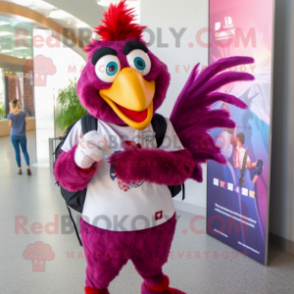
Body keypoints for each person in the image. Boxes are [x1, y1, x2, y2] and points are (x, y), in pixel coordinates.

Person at [7, 99, 31, 175]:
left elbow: (10, 125)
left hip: (13, 135)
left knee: (17, 151)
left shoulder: (10, 114)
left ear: (12, 106)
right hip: (22, 135)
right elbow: (26, 122)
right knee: (25, 151)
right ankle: (28, 167)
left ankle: (20, 169)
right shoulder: (24, 113)